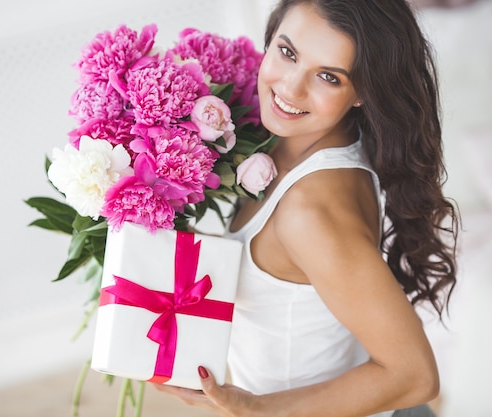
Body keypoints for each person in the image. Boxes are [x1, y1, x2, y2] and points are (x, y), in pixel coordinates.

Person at [155, 0, 459, 416]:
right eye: (287, 52)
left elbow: (415, 376)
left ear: (363, 92)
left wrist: (255, 409)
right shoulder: (298, 140)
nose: (291, 89)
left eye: (329, 77)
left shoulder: (309, 211)